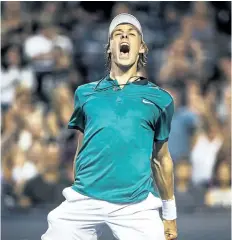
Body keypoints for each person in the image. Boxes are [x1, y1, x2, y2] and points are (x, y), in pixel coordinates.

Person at [42, 13, 178, 240]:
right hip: (84, 199)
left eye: (131, 33)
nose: (124, 35)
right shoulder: (84, 93)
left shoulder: (161, 99)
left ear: (142, 47)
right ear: (109, 48)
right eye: (118, 33)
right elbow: (83, 144)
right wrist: (82, 184)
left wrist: (170, 215)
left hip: (136, 206)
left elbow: (161, 158)